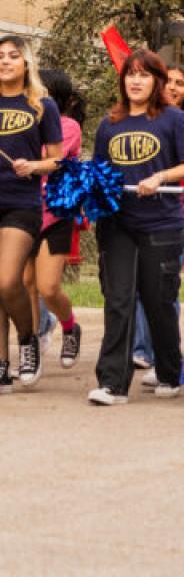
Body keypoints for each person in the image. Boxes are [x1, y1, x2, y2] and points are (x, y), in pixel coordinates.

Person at [88, 49, 184, 406]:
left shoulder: (173, 120)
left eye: (144, 74)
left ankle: (169, 370)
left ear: (157, 81)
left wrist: (160, 176)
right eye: (130, 74)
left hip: (161, 223)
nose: (135, 80)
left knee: (158, 301)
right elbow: (99, 171)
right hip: (117, 224)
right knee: (119, 300)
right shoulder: (110, 123)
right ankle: (113, 383)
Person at [133, 63, 184, 377]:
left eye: (181, 83)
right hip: (143, 213)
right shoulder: (139, 122)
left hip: (179, 212)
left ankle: (164, 356)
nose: (174, 88)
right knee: (142, 284)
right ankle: (143, 350)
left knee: (165, 287)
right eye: (169, 82)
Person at [0, 36, 62, 393]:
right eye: (1, 56)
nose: (6, 61)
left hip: (21, 202)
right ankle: (1, 365)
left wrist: (34, 166)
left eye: (13, 56)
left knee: (8, 281)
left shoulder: (42, 105)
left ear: (26, 63)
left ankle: (28, 340)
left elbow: (57, 161)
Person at [24, 69, 84, 371]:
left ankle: (70, 328)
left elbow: (50, 156)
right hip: (23, 209)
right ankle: (31, 347)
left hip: (57, 212)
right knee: (25, 286)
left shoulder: (67, 125)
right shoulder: (22, 119)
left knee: (47, 287)